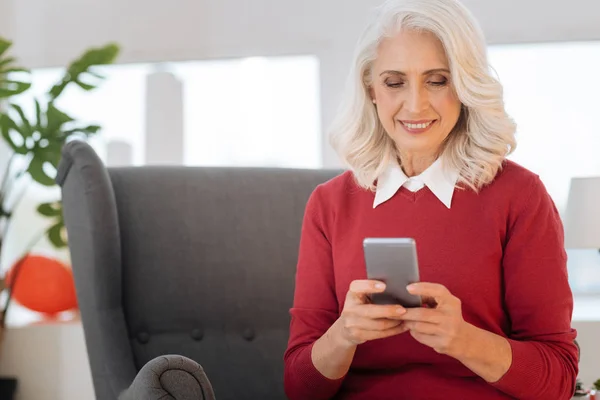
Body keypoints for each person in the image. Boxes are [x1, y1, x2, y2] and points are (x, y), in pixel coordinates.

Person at [283, 0, 579, 399]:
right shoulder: (329, 204)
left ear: (464, 85)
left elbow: (557, 380)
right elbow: (300, 389)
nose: (416, 104)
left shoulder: (520, 196)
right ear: (371, 88)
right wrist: (344, 333)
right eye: (394, 82)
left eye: (437, 80)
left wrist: (462, 339)